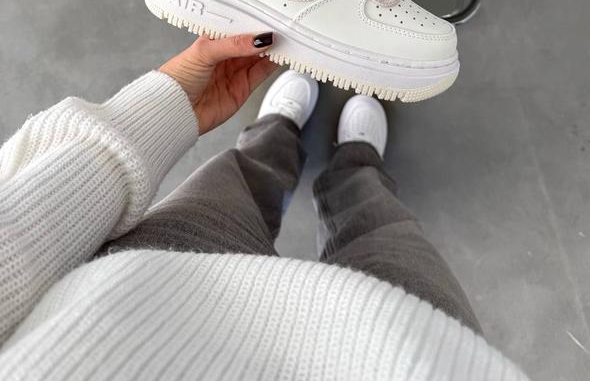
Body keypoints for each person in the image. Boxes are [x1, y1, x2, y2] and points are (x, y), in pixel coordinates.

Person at [0, 32, 527, 380]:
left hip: (156, 288)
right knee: (379, 224)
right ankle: (357, 163)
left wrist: (160, 110)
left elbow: (12, 244)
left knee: (245, 176)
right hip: (410, 355)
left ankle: (277, 130)